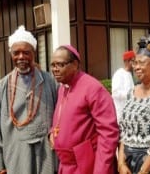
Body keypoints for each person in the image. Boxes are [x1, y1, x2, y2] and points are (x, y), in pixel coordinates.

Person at [49, 45, 119, 174]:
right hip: (67, 165)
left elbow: (109, 133)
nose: (55, 69)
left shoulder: (92, 88)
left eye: (60, 64)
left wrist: (101, 170)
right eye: (52, 65)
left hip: (87, 165)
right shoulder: (63, 87)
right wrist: (53, 132)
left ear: (75, 64)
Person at [0, 25, 58, 174]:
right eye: (16, 53)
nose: (21, 57)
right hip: (16, 154)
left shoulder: (49, 81)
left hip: (46, 154)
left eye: (26, 52)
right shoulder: (2, 86)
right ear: (11, 54)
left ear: (34, 53)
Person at [117, 34, 150, 174]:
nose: (137, 67)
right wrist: (121, 163)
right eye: (135, 62)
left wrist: (143, 171)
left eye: (142, 62)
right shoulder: (131, 91)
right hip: (128, 163)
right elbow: (123, 131)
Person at [112, 50, 135, 121]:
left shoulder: (129, 74)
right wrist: (131, 95)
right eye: (133, 61)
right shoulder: (119, 73)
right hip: (120, 113)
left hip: (129, 113)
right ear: (127, 61)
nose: (135, 63)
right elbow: (115, 93)